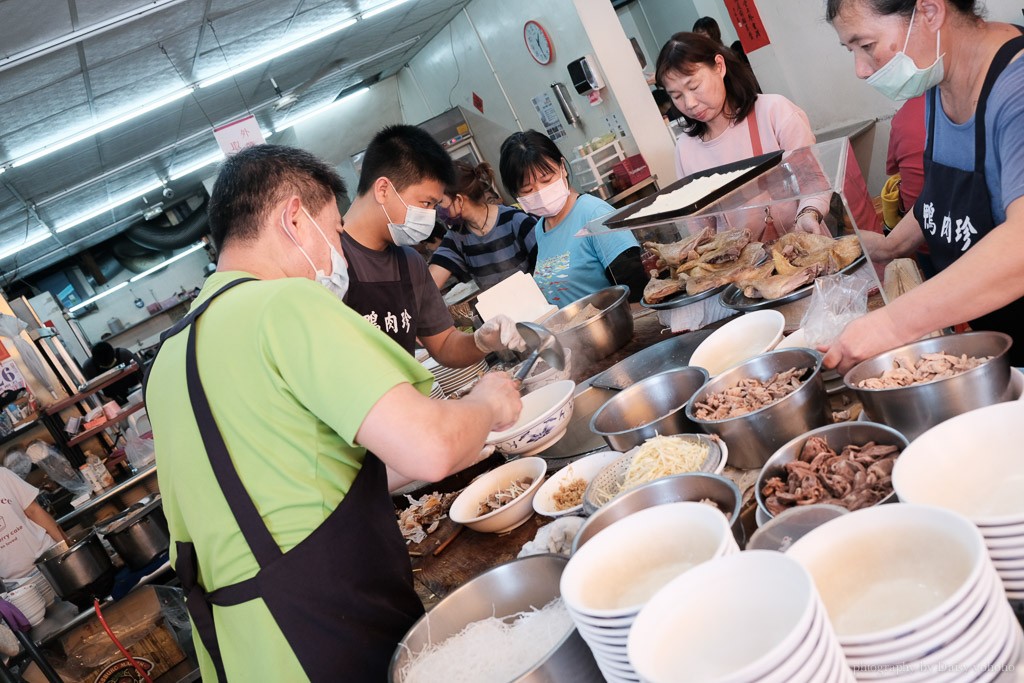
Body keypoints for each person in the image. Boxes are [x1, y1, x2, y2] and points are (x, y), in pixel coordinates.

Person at [146, 144, 522, 682]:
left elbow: (297, 479)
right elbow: (431, 447)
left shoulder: (171, 357)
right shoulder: (283, 304)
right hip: (328, 635)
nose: (336, 259)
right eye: (331, 234)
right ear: (294, 218)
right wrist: (486, 403)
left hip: (246, 650)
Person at [823, 0, 1024, 371]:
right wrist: (889, 246)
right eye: (851, 51)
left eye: (866, 46)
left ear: (930, 12)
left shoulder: (1016, 88)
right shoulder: (938, 81)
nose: (861, 69)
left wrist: (893, 322)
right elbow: (944, 195)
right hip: (1001, 342)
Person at [341, 125, 525, 363]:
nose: (431, 215)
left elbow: (445, 344)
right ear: (383, 189)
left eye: (435, 205)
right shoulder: (328, 264)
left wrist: (481, 340)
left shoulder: (410, 263)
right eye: (426, 203)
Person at [655, 32, 831, 238]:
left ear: (719, 66)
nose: (690, 103)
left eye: (694, 86)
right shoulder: (685, 149)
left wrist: (808, 213)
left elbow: (812, 180)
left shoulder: (773, 111)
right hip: (741, 267)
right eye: (677, 96)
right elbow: (700, 223)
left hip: (802, 246)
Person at [498, 130, 647, 308]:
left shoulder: (594, 213)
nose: (539, 192)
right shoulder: (541, 228)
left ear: (562, 168)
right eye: (527, 189)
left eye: (546, 179)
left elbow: (636, 289)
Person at [429, 160, 539, 292]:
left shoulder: (515, 220)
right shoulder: (456, 237)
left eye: (440, 202)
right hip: (498, 311)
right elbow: (430, 284)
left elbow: (549, 264)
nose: (438, 208)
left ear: (459, 199)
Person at [0, 466, 67, 581]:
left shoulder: (2, 475)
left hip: (51, 557)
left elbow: (34, 511)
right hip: (18, 582)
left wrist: (66, 546)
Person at [692, 16, 762, 93]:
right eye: (697, 37)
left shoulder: (726, 54)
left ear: (714, 34)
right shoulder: (702, 60)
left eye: (704, 36)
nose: (700, 40)